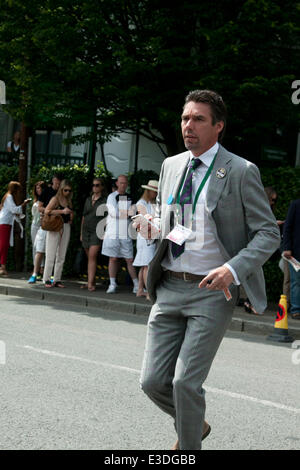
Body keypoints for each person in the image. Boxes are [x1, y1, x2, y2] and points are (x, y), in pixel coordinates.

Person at [137, 89, 280, 450]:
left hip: (212, 293)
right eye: (185, 118)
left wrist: (233, 269)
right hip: (169, 286)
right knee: (152, 382)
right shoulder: (171, 165)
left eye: (198, 119)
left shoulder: (240, 170)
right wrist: (154, 226)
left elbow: (267, 234)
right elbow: (178, 221)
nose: (189, 125)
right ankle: (193, 425)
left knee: (185, 383)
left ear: (218, 127)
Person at [101, 174, 138, 294]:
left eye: (125, 183)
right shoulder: (112, 196)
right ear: (117, 183)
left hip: (125, 232)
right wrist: (127, 212)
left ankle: (136, 285)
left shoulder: (129, 197)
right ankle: (112, 284)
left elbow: (133, 212)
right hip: (113, 232)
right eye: (121, 182)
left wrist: (125, 213)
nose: (123, 185)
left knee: (129, 259)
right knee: (113, 258)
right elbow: (114, 213)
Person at [28, 174, 62, 284]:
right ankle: (35, 273)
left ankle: (49, 274)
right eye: (56, 183)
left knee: (52, 251)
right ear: (53, 181)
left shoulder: (62, 194)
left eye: (59, 183)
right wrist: (49, 212)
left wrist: (49, 212)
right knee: (40, 249)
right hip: (46, 224)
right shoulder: (46, 191)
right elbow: (40, 207)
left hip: (56, 225)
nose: (57, 185)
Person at [42, 179, 73, 288]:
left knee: (61, 254)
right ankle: (46, 279)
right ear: (61, 189)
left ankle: (57, 279)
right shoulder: (55, 199)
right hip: (55, 226)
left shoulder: (68, 200)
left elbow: (71, 212)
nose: (67, 192)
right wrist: (62, 212)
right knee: (50, 253)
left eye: (69, 190)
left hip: (65, 226)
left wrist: (70, 216)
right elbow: (46, 211)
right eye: (65, 190)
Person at [80, 178, 107, 291]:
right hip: (86, 230)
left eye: (97, 185)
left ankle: (90, 283)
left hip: (97, 231)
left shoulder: (105, 201)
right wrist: (81, 233)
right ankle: (91, 281)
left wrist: (104, 231)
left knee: (92, 255)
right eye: (93, 185)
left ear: (102, 187)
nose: (95, 187)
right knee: (89, 257)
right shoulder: (88, 199)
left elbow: (107, 217)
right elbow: (83, 217)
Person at [133, 180, 158, 299]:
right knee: (147, 265)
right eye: (154, 192)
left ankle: (140, 289)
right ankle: (148, 292)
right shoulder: (142, 203)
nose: (155, 194)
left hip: (147, 236)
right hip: (146, 236)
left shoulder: (150, 203)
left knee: (144, 265)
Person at [0, 181, 31, 275]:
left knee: (3, 245)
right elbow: (14, 210)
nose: (19, 192)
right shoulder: (9, 197)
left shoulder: (7, 196)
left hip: (5, 222)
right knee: (3, 245)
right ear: (15, 190)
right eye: (18, 190)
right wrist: (24, 204)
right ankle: (2, 267)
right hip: (5, 223)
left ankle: (3, 267)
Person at [282, 198, 300, 319]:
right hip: (296, 252)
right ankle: (296, 309)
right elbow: (287, 227)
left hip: (295, 250)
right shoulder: (296, 204)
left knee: (295, 282)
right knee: (296, 282)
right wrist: (287, 247)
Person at [30, 181, 47, 278]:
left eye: (39, 188)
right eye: (36, 188)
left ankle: (42, 268)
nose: (37, 190)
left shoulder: (45, 199)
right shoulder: (36, 200)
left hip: (42, 225)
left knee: (42, 247)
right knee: (35, 247)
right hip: (34, 225)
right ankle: (36, 268)